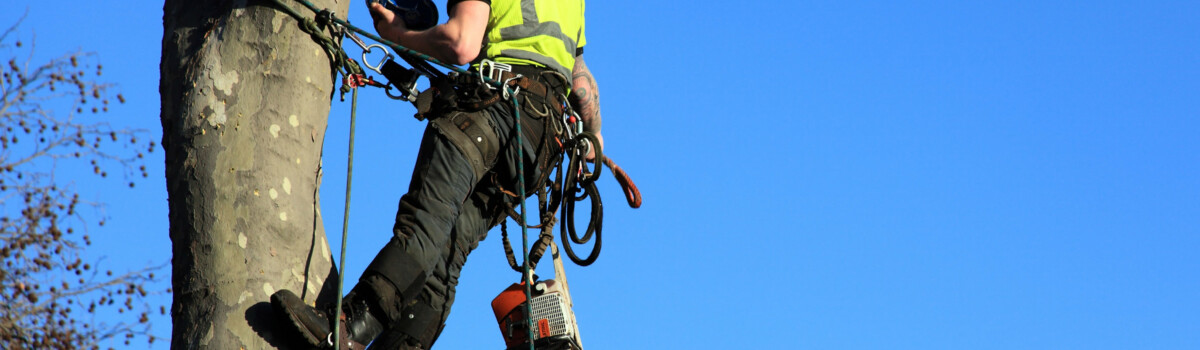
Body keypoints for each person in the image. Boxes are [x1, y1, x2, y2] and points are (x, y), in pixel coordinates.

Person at [271, 0, 602, 349]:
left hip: (492, 114)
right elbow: (581, 84)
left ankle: (348, 328)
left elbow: (461, 43)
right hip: (540, 144)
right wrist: (592, 143)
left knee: (426, 223)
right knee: (445, 258)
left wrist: (397, 33)